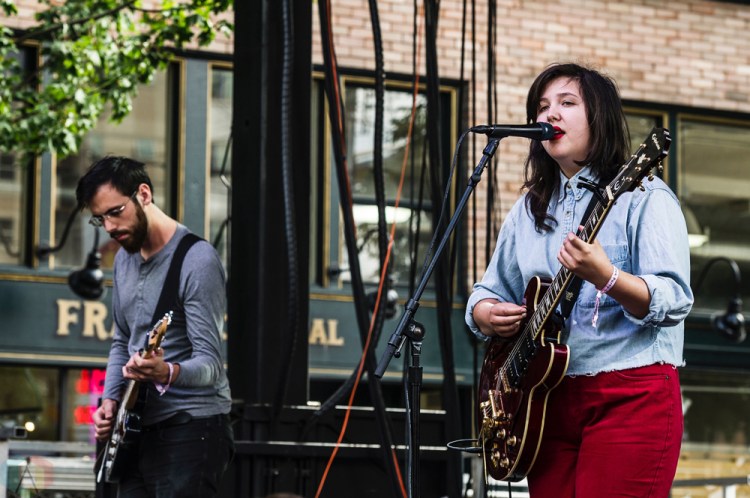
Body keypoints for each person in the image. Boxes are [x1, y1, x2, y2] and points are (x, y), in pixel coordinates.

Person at [465, 63, 693, 497]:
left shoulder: (644, 197)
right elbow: (487, 291)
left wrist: (606, 277)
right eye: (543, 106)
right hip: (545, 401)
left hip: (629, 395)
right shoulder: (529, 210)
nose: (550, 115)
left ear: (599, 118)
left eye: (567, 104)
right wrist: (486, 313)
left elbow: (675, 299)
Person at [79, 156, 234, 497]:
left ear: (144, 194)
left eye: (115, 212)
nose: (109, 227)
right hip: (135, 430)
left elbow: (211, 365)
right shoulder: (123, 260)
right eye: (99, 218)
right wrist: (109, 401)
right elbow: (123, 340)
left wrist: (166, 371)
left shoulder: (197, 260)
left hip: (190, 429)